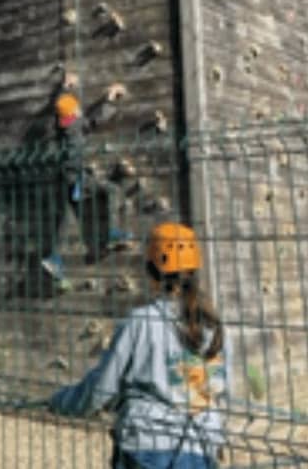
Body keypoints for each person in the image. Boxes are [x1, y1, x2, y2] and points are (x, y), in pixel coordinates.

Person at [48, 222, 231, 468]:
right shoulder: (214, 325)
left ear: (151, 272)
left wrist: (61, 401)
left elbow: (101, 389)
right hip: (201, 446)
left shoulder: (140, 322)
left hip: (147, 447)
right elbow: (222, 388)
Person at [41, 90, 133, 290]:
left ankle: (54, 260)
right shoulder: (75, 126)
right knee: (112, 191)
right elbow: (94, 120)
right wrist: (109, 99)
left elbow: (65, 109)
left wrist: (65, 89)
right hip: (75, 179)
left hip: (61, 181)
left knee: (64, 223)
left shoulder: (58, 129)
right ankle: (112, 233)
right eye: (77, 107)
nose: (80, 108)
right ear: (73, 113)